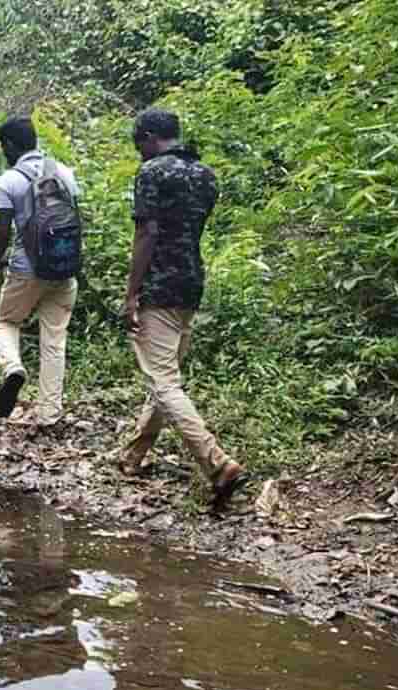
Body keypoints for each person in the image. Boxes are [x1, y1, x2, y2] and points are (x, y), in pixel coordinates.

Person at [120, 108, 245, 510]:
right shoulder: (206, 176)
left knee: (164, 383)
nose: (138, 153)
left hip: (158, 286)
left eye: (138, 144)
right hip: (191, 283)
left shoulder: (153, 173)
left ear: (150, 136)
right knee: (164, 376)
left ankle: (217, 462)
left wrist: (131, 293)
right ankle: (133, 456)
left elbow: (147, 232)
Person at [0, 116, 82, 424]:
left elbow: (2, 235)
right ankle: (50, 413)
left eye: (2, 146)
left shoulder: (8, 181)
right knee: (55, 341)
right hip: (64, 267)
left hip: (26, 269)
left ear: (10, 145)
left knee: (7, 321)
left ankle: (13, 368)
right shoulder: (63, 172)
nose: (2, 152)